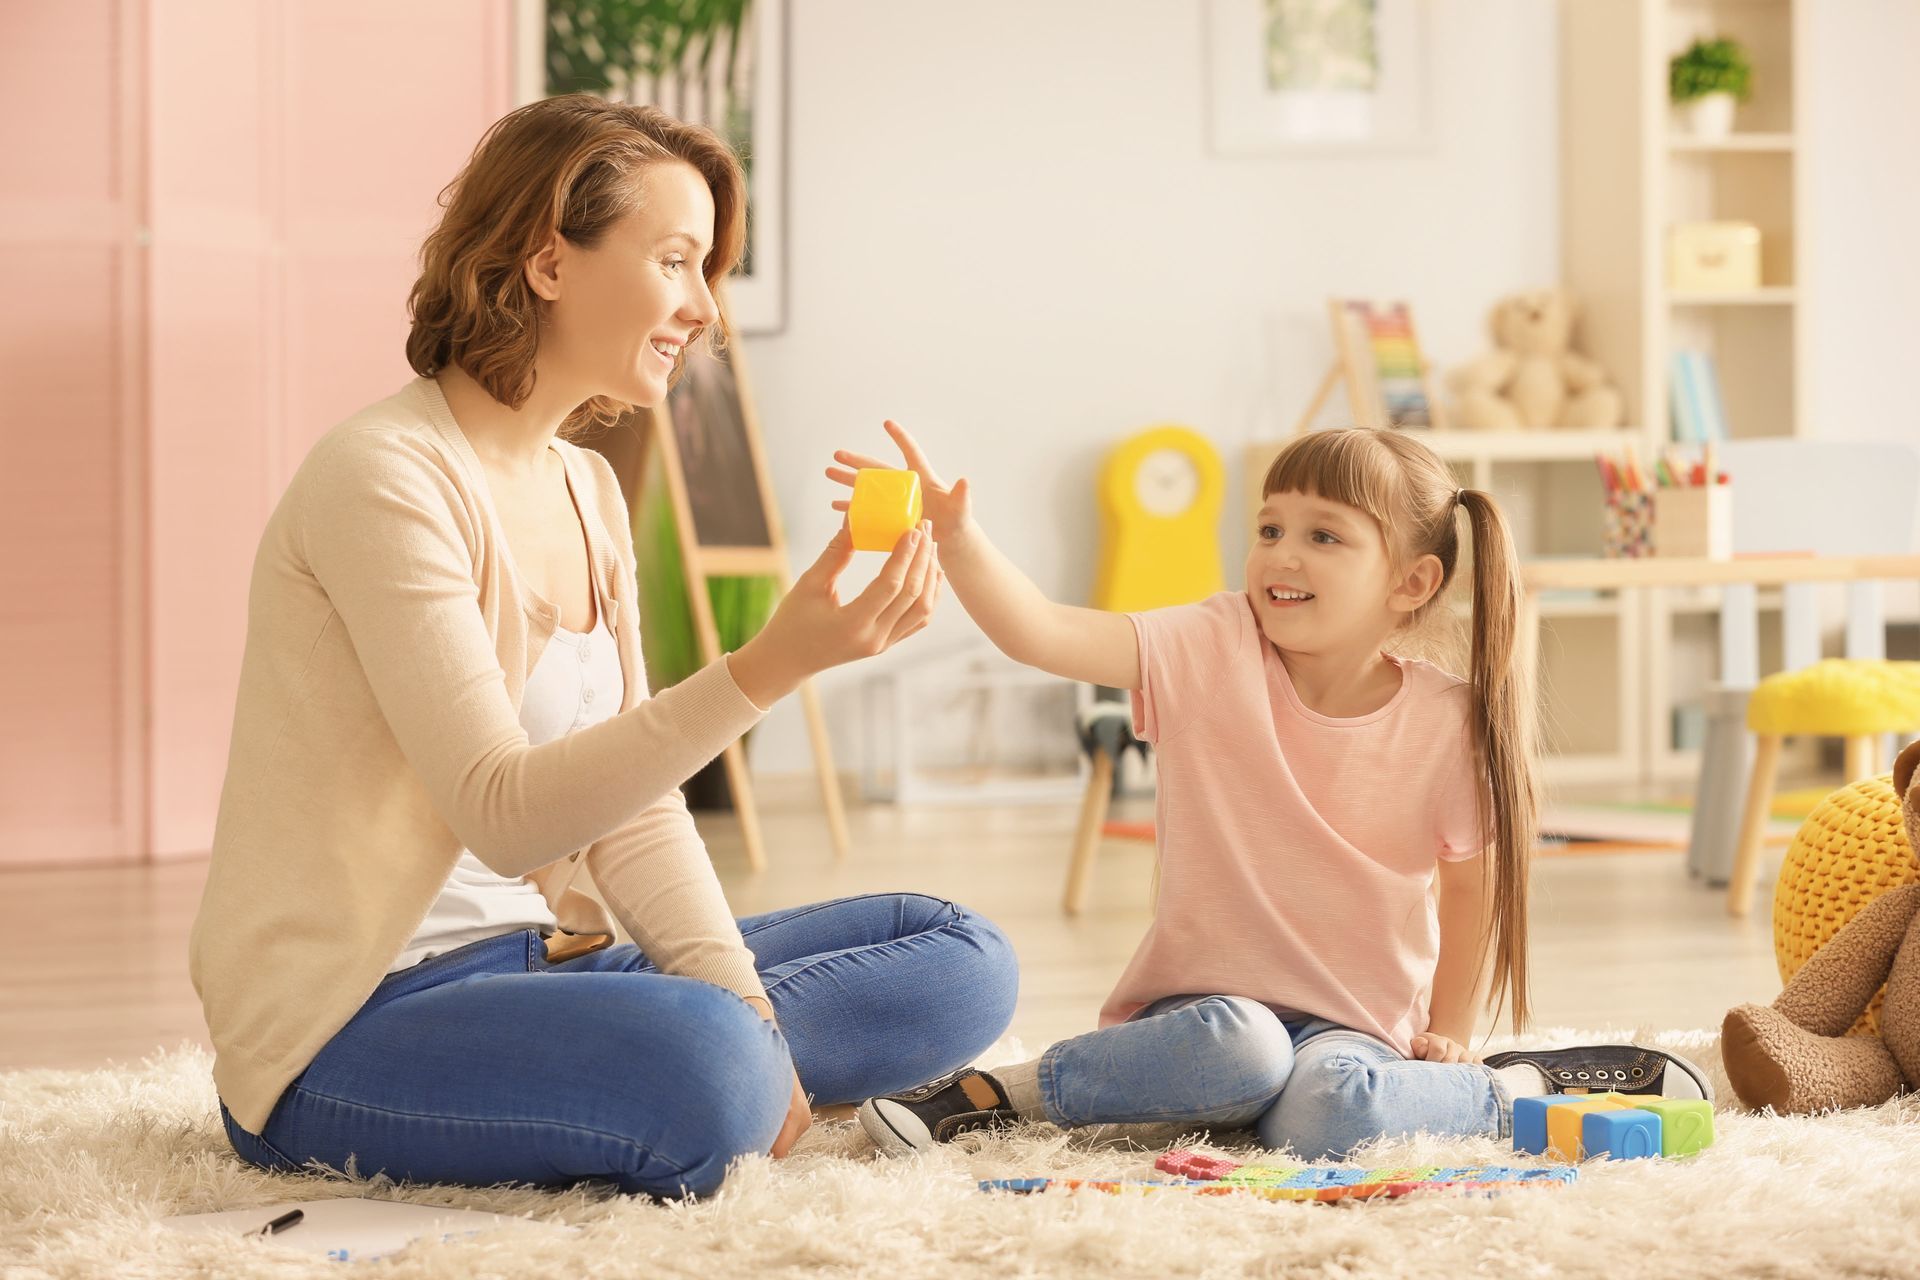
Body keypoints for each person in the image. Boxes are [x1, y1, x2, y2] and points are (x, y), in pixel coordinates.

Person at [188, 95, 1017, 1199]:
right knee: (706, 1063)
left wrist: (744, 1000)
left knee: (959, 953)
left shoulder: (586, 487)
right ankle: (705, 1069)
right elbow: (502, 808)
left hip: (555, 967)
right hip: (357, 1019)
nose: (703, 310)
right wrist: (771, 665)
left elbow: (635, 802)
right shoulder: (384, 475)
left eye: (707, 271)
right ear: (546, 262)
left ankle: (711, 1062)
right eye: (676, 261)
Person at [836, 423, 1708, 1158]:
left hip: (1352, 1028)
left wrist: (1452, 1034)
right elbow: (1044, 634)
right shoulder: (1213, 645)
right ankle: (999, 1093)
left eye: (1324, 536)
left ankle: (1510, 1089)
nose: (1281, 556)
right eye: (1269, 529)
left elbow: (1474, 884)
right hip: (1200, 1018)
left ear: (1412, 583)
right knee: (1244, 1052)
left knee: (1337, 1113)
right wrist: (958, 540)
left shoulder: (1450, 722)